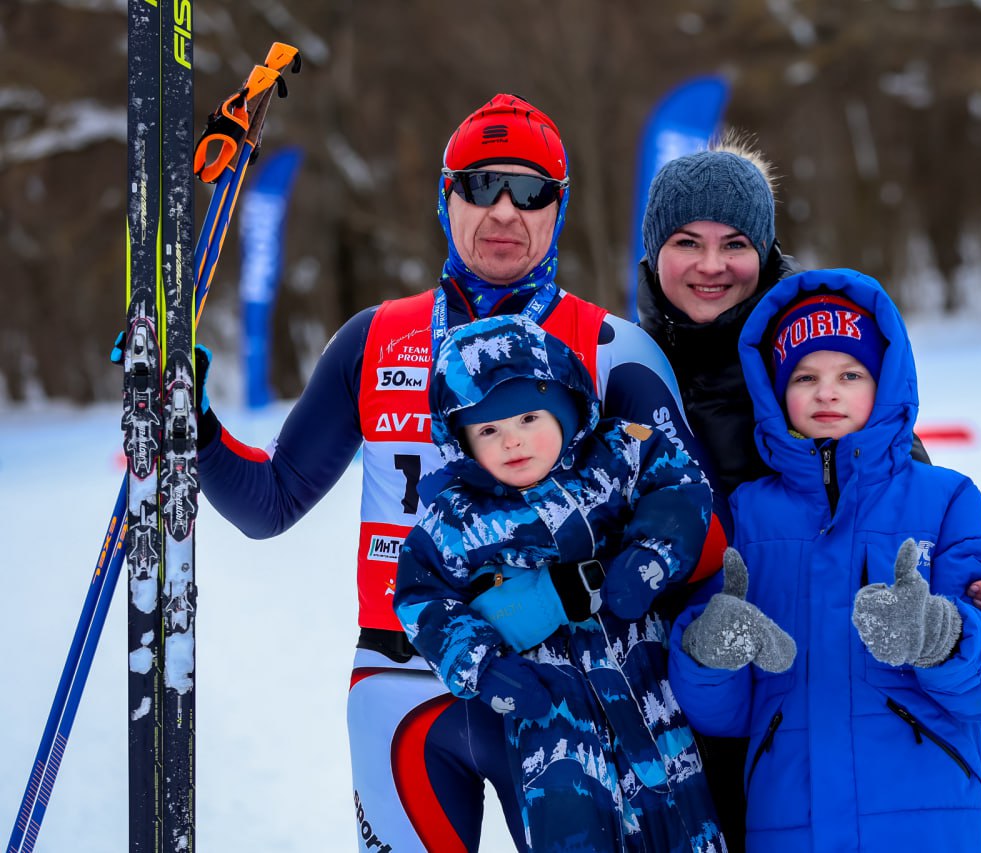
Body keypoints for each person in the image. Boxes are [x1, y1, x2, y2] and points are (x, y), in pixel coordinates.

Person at [194, 93, 726, 852]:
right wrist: (198, 429)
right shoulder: (373, 339)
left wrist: (598, 576)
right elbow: (269, 502)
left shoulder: (613, 349)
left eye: (531, 189)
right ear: (446, 199)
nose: (505, 210)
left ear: (559, 210)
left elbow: (696, 525)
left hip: (567, 683)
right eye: (480, 186)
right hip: (402, 680)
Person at [635, 140, 981, 847]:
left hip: (846, 757)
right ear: (653, 252)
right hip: (679, 720)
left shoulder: (823, 353)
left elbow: (892, 496)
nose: (711, 264)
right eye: (686, 241)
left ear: (764, 250)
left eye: (734, 242)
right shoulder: (621, 371)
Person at [394, 314, 725, 851]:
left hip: (647, 681)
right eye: (488, 431)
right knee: (573, 829)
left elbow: (682, 484)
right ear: (463, 442)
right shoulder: (457, 517)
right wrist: (483, 667)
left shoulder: (619, 454)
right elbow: (421, 594)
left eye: (528, 417)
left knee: (685, 817)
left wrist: (651, 555)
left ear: (566, 403)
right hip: (550, 710)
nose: (512, 442)